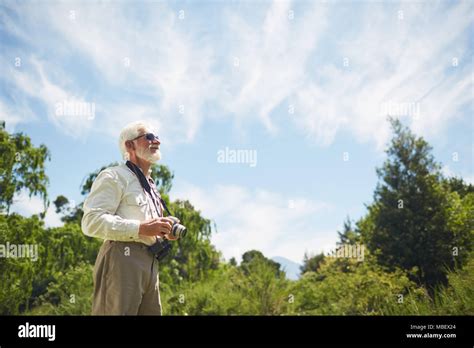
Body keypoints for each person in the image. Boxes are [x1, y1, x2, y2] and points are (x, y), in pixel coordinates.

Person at [82, 121, 177, 315]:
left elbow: (148, 227)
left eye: (157, 136)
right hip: (121, 258)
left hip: (151, 262)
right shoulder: (114, 176)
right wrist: (141, 228)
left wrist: (165, 231)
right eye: (149, 137)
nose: (156, 140)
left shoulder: (151, 186)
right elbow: (91, 222)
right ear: (129, 145)